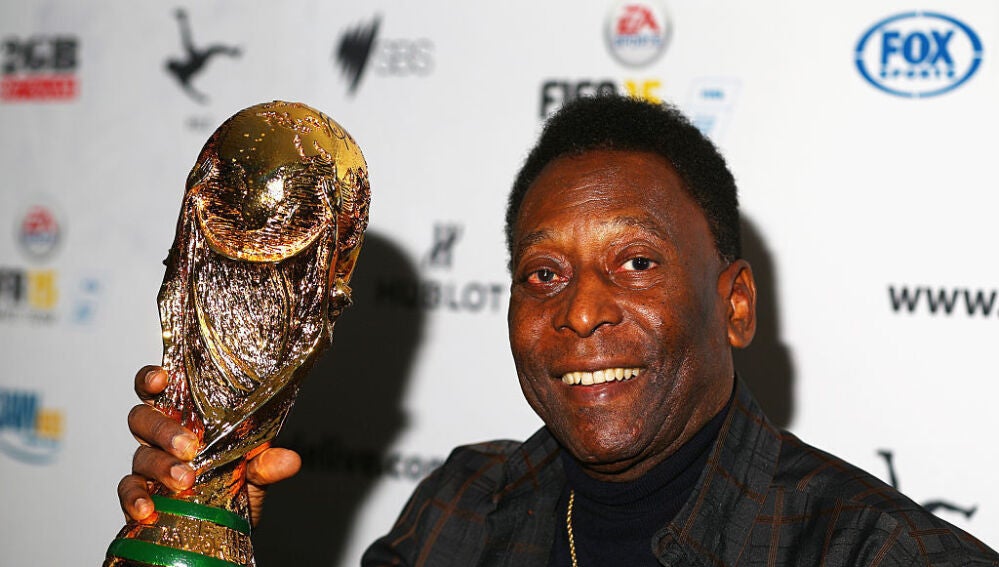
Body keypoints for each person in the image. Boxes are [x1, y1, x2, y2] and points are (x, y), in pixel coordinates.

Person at [119, 96, 999, 566]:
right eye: (543, 273)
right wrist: (210, 519)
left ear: (734, 304)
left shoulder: (879, 552)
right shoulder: (461, 508)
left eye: (636, 262)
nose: (579, 310)